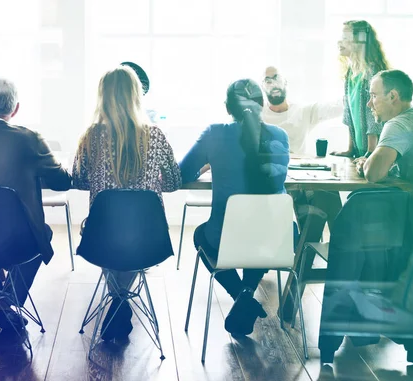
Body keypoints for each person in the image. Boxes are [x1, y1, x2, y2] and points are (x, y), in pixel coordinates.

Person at [0, 78, 72, 330]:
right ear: (15, 109)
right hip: (18, 243)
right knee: (44, 233)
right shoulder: (29, 139)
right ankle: (6, 301)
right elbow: (61, 182)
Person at [72, 65, 181, 341]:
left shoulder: (91, 136)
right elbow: (173, 183)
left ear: (102, 97)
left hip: (101, 234)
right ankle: (121, 302)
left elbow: (78, 180)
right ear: (136, 96)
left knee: (109, 236)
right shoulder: (155, 135)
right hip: (148, 235)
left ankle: (118, 302)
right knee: (131, 240)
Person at [179, 79, 291, 336]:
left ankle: (240, 295)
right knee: (260, 229)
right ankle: (247, 293)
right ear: (262, 105)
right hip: (276, 239)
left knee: (200, 234)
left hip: (226, 238)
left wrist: (208, 163)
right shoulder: (280, 135)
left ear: (228, 107)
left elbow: (183, 172)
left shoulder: (215, 133)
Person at [357, 69, 413, 240]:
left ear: (392, 96)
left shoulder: (399, 124)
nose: (369, 104)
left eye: (373, 96)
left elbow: (373, 174)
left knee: (358, 206)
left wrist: (366, 164)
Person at [332, 20, 390, 159]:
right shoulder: (350, 73)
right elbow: (349, 113)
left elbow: (374, 114)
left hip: (375, 153)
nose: (340, 42)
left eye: (345, 38)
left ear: (360, 42)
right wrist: (350, 150)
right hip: (360, 152)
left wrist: (371, 152)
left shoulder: (372, 71)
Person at [261, 66, 342, 155]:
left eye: (277, 79)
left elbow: (337, 108)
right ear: (262, 87)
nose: (274, 85)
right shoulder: (255, 114)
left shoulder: (303, 111)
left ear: (285, 82)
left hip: (295, 167)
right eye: (268, 81)